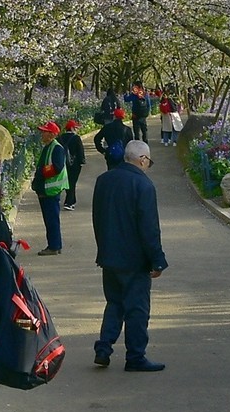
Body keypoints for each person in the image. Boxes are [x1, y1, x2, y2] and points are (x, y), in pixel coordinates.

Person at [91, 139, 167, 372]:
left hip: (108, 255)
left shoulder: (104, 180)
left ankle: (104, 347)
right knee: (137, 308)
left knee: (114, 303)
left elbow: (97, 218)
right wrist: (157, 259)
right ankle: (135, 356)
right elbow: (149, 228)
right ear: (142, 159)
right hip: (134, 259)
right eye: (148, 161)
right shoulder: (143, 185)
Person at [31, 121, 68, 256]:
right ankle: (54, 245)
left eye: (44, 131)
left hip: (50, 190)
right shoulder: (49, 146)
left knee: (52, 219)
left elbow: (57, 167)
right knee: (50, 219)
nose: (42, 134)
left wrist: (41, 173)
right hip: (46, 189)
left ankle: (54, 246)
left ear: (51, 134)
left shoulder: (56, 148)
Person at [57, 119, 86, 211]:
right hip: (74, 164)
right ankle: (69, 202)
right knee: (72, 182)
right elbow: (80, 151)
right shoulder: (76, 138)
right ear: (73, 128)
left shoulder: (60, 138)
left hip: (63, 163)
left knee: (65, 181)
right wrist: (82, 161)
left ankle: (70, 201)